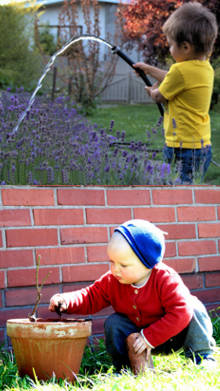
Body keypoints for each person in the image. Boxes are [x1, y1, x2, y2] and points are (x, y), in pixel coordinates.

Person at [49, 219, 216, 374]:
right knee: (114, 323)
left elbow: (181, 312)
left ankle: (202, 357)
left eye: (123, 265)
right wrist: (66, 301)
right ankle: (124, 368)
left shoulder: (164, 278)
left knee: (191, 307)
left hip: (173, 335)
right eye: (112, 262)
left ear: (148, 263)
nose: (115, 269)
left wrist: (150, 337)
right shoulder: (113, 280)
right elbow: (91, 296)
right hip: (136, 340)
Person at [134, 2, 218, 184]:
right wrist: (149, 70)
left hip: (182, 147)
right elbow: (176, 80)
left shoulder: (180, 71)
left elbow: (159, 96)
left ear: (186, 47)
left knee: (177, 192)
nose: (170, 49)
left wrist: (151, 90)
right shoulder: (205, 67)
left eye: (171, 45)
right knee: (190, 192)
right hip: (202, 145)